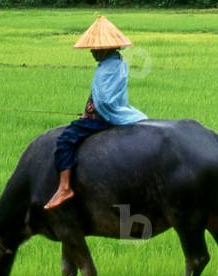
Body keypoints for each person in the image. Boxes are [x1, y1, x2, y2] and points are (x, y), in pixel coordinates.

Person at [44, 16, 147, 209]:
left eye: (95, 48)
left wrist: (93, 112)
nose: (92, 51)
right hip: (107, 112)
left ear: (105, 47)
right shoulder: (116, 62)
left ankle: (65, 187)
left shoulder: (108, 67)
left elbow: (105, 100)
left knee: (65, 141)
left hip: (102, 118)